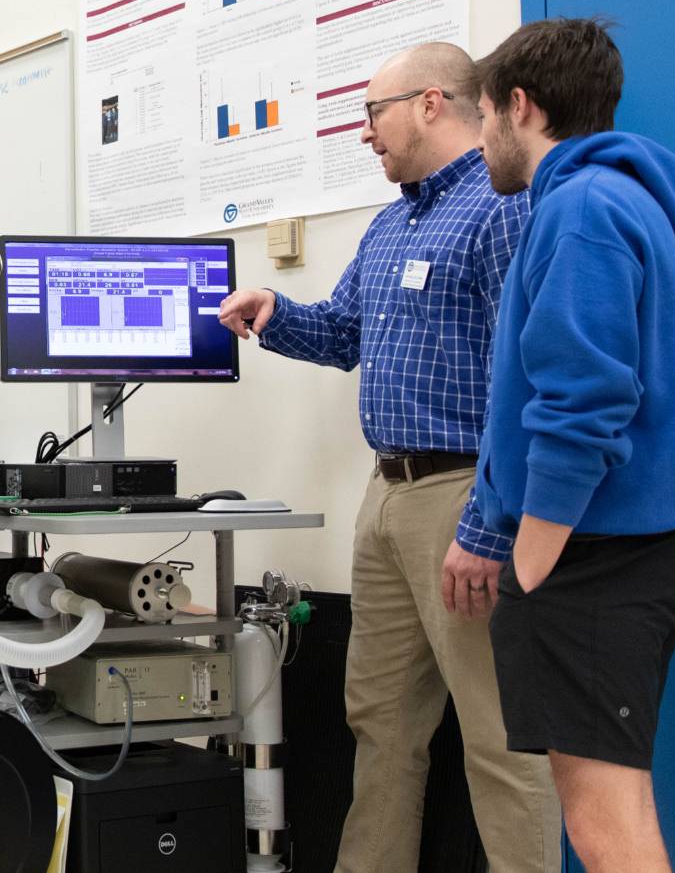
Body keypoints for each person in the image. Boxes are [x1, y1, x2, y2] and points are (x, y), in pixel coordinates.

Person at [217, 42, 561, 872]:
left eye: (372, 113)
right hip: (388, 499)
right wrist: (275, 311)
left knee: (500, 736)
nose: (365, 133)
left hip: (466, 496)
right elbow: (344, 334)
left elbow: (526, 376)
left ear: (432, 102)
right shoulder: (388, 224)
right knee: (380, 724)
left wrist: (487, 520)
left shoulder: (500, 206)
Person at [472, 18, 675, 873]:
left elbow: (583, 401)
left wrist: (533, 561)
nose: (481, 144)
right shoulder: (617, 199)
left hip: (594, 561)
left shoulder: (579, 210)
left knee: (605, 830)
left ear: (520, 105)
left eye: (482, 119)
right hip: (623, 555)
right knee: (619, 811)